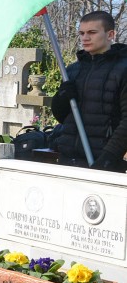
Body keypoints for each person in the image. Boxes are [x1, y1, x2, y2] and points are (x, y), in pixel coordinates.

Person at [51, 10, 127, 171]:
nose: (85, 38)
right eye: (82, 33)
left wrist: (109, 157)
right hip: (68, 159)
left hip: (103, 161)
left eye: (92, 32)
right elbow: (62, 117)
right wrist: (61, 98)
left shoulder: (123, 69)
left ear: (110, 34)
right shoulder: (72, 70)